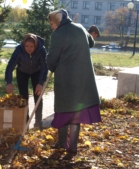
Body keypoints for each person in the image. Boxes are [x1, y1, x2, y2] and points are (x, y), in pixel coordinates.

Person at [46, 9, 101, 159]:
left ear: (57, 20)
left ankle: (63, 142)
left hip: (66, 79)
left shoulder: (58, 34)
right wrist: (80, 30)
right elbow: (91, 42)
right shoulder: (80, 28)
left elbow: (52, 59)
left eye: (51, 22)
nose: (51, 26)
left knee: (64, 109)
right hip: (83, 78)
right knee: (76, 111)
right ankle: (73, 146)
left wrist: (50, 64)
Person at [5, 33, 48, 130]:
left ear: (36, 45)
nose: (29, 49)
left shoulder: (41, 50)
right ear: (24, 45)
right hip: (22, 72)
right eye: (27, 46)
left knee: (38, 96)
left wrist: (40, 83)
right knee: (23, 98)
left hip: (37, 72)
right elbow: (10, 66)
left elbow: (44, 67)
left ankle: (38, 122)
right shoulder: (19, 50)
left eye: (31, 46)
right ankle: (25, 123)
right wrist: (8, 82)